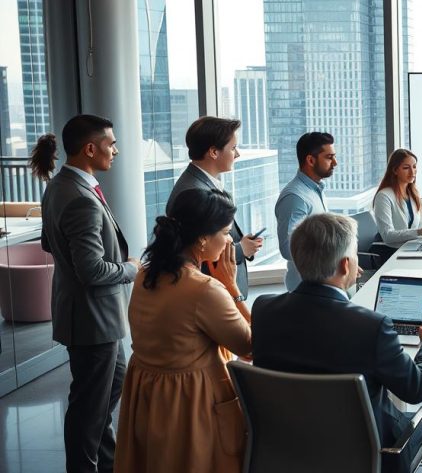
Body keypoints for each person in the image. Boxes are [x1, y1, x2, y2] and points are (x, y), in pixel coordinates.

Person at [252, 214, 422, 473]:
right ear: (345, 265)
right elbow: (416, 388)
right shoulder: (371, 327)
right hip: (367, 454)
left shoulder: (263, 310)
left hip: (287, 447)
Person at [114, 188, 251, 473]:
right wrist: (232, 287)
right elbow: (250, 346)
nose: (229, 240)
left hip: (151, 399)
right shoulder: (204, 289)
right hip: (191, 404)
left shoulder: (146, 275)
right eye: (225, 232)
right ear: (202, 239)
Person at [34, 115, 139, 473]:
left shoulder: (59, 186)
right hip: (92, 319)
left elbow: (49, 242)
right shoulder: (81, 198)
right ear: (91, 149)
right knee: (89, 407)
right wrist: (131, 269)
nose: (116, 150)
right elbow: (93, 271)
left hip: (90, 315)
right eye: (112, 144)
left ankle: (106, 463)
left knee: (106, 392)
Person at [167, 116, 263, 300]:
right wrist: (241, 250)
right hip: (211, 294)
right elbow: (193, 251)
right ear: (213, 152)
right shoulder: (193, 192)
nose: (237, 154)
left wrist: (243, 243)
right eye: (233, 148)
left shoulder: (205, 183)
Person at [276, 131, 337, 291]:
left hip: (323, 282)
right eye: (329, 157)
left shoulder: (315, 189)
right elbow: (288, 249)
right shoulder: (295, 197)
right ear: (310, 160)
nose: (335, 163)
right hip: (306, 289)